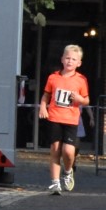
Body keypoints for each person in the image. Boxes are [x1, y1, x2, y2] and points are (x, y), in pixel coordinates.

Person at [39, 44, 90, 195]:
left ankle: (67, 171)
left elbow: (86, 100)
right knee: (55, 149)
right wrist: (43, 107)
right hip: (55, 117)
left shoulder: (81, 80)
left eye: (73, 59)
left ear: (79, 63)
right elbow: (46, 95)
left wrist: (80, 99)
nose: (69, 61)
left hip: (71, 120)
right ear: (62, 59)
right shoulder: (53, 77)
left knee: (68, 151)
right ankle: (55, 183)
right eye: (67, 58)